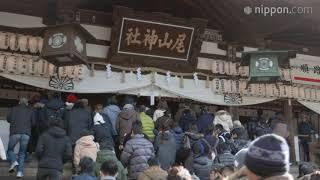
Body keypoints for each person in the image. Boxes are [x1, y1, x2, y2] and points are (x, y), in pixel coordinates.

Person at [6, 97, 35, 178]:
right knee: (22, 153)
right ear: (27, 103)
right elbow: (33, 123)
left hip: (14, 132)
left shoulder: (13, 109)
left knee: (10, 150)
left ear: (19, 102)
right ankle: (19, 172)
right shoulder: (30, 110)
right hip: (26, 134)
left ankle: (14, 161)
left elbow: (8, 119)